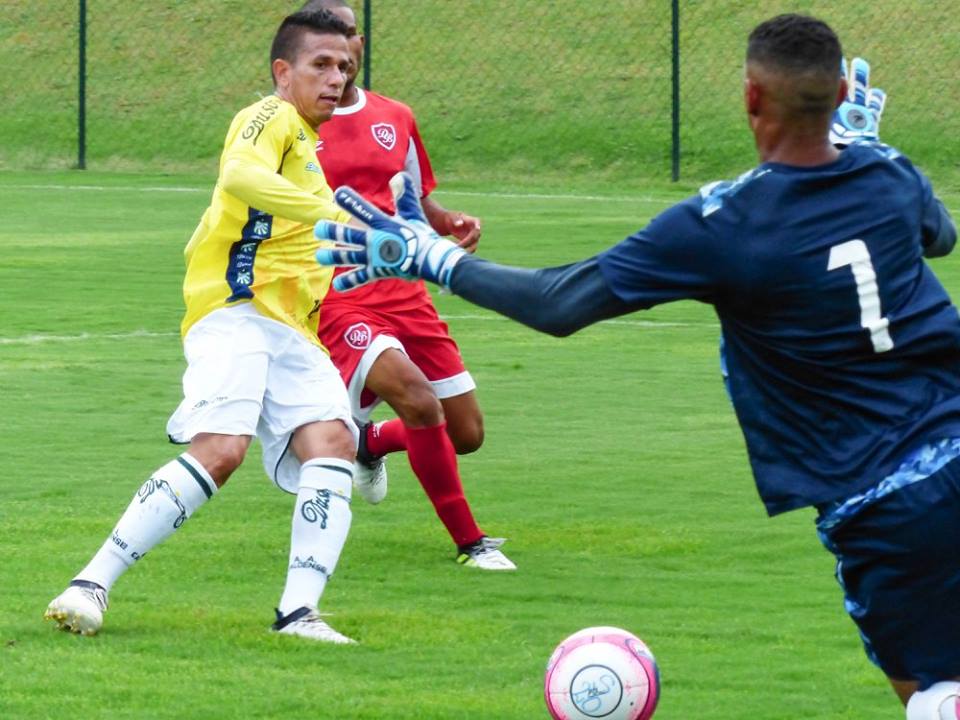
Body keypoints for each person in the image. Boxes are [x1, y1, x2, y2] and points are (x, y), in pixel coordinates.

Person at [316, 13, 960, 714]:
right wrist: (865, 150)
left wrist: (430, 258)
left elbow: (560, 303)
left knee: (935, 696)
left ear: (749, 98)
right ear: (841, 94)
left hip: (886, 507)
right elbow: (940, 236)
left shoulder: (721, 225)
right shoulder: (890, 172)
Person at [45, 9, 364, 645]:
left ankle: (298, 614)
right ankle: (89, 583)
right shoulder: (268, 117)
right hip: (234, 310)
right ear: (283, 72)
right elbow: (239, 176)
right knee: (222, 450)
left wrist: (385, 248)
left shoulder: (308, 149)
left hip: (291, 329)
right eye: (320, 65)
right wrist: (336, 215)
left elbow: (303, 246)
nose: (336, 78)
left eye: (345, 67)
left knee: (334, 446)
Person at [296, 0, 516, 571]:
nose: (344, 52)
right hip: (340, 294)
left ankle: (371, 443)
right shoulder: (291, 125)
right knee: (418, 400)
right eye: (332, 40)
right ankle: (471, 544)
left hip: (407, 291)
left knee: (465, 433)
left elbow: (415, 199)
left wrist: (448, 224)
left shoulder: (396, 115)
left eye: (351, 36)